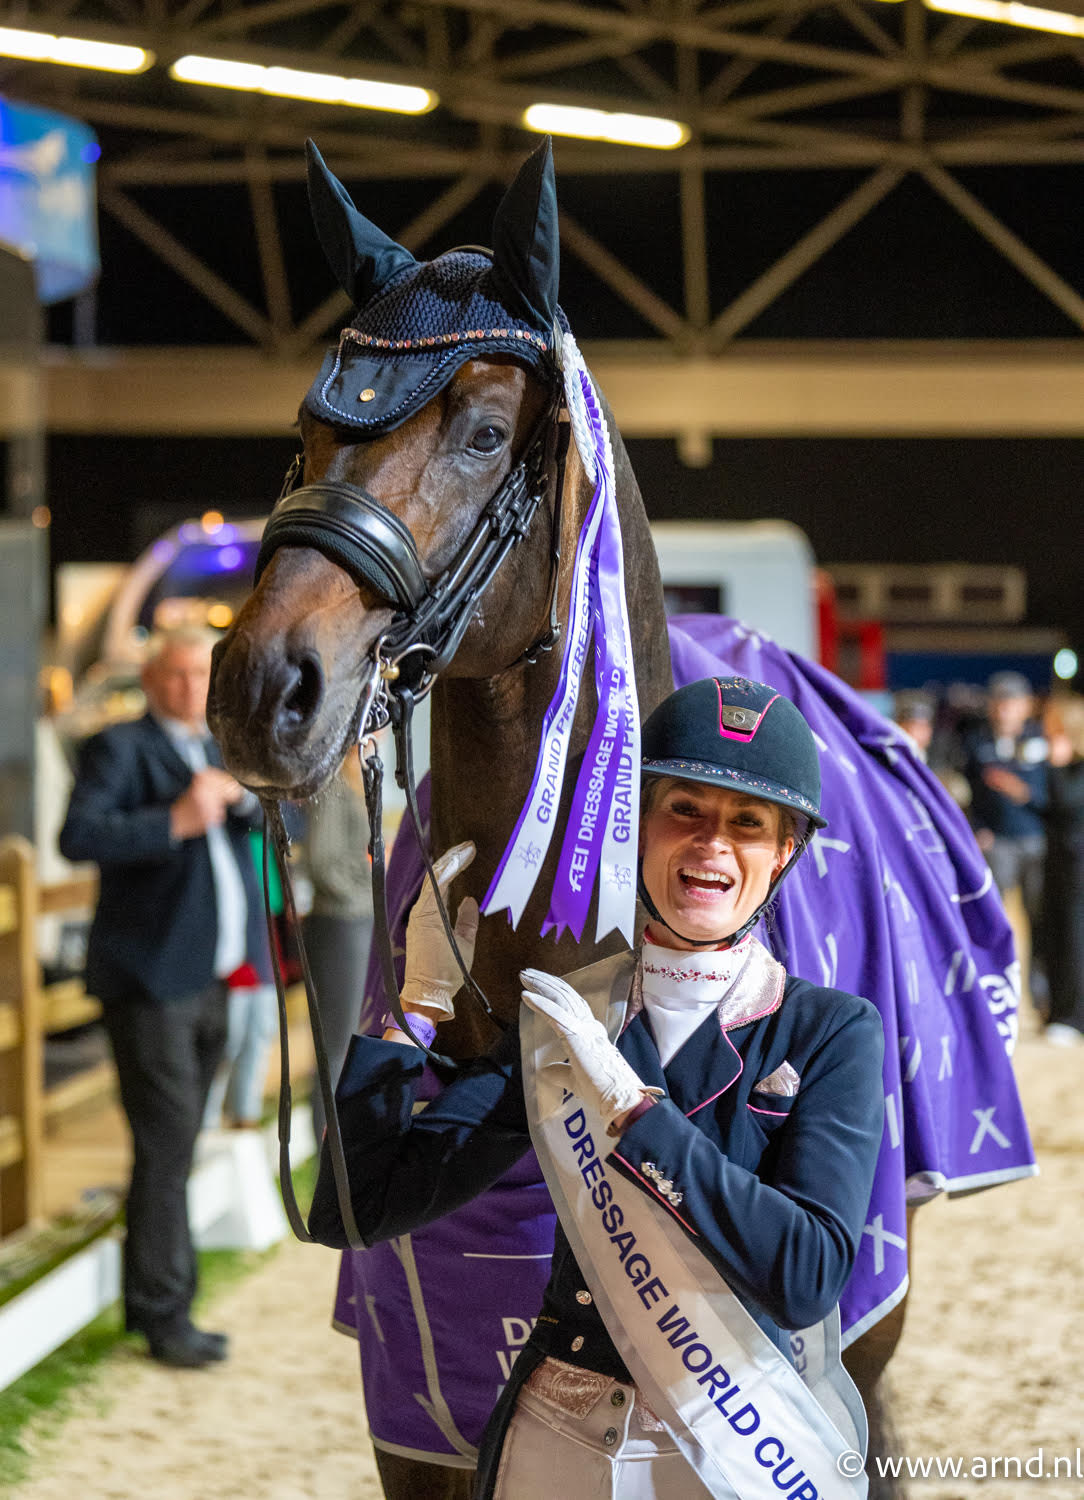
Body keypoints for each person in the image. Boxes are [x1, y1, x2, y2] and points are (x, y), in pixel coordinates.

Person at [309, 677, 884, 1498]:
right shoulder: (567, 1021)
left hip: (738, 1437)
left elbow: (806, 1275)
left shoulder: (830, 1031)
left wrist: (634, 1113)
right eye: (685, 809)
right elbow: (354, 1208)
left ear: (784, 851)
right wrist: (418, 1012)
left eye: (748, 823)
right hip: (559, 1438)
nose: (712, 844)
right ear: (640, 823)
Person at [59, 626, 270, 1368]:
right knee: (166, 1144)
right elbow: (78, 836)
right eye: (176, 674)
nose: (189, 687)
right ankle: (164, 1314)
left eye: (200, 675)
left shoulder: (218, 747)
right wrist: (173, 821)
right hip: (150, 982)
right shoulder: (120, 746)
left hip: (213, 977)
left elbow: (285, 820)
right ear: (151, 680)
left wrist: (243, 803)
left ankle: (152, 1299)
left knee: (178, 1143)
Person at [963, 670, 1048, 1005]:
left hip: (1036, 841)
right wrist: (977, 829)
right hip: (997, 842)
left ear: (1026, 705)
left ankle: (1041, 995)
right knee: (991, 918)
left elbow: (1052, 793)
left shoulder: (1040, 739)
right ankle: (990, 992)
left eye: (1011, 702)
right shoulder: (977, 742)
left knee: (1040, 920)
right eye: (999, 701)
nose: (1004, 709)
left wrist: (1019, 789)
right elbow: (966, 793)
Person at [301, 752, 374, 1145]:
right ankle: (328, 1155)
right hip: (341, 924)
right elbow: (323, 863)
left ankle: (348, 1148)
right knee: (337, 1047)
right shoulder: (332, 785)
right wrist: (372, 881)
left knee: (355, 1042)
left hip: (360, 920)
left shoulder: (358, 782)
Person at [1037, 694, 1084, 1046]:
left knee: (1072, 937)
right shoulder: (1063, 766)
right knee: (1053, 933)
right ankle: (1056, 1011)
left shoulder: (1074, 767)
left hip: (1078, 866)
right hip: (1058, 863)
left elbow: (1068, 805)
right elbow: (1053, 812)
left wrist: (1055, 765)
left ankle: (1073, 1016)